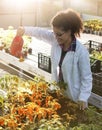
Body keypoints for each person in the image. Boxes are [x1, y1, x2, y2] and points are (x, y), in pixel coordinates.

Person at [23, 9, 92, 110]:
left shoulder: (81, 52)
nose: (56, 37)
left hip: (74, 97)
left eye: (59, 34)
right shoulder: (55, 40)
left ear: (70, 31)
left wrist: (83, 97)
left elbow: (87, 78)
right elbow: (40, 33)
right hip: (58, 92)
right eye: (54, 33)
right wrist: (24, 30)